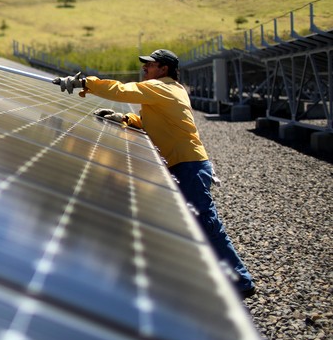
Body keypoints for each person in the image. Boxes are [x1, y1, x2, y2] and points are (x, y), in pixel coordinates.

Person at [52, 49, 256, 299]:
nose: (145, 68)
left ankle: (241, 280)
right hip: (185, 163)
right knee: (188, 223)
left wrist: (84, 82)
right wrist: (126, 118)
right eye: (145, 65)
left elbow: (120, 90)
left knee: (207, 224)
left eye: (150, 64)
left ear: (164, 69)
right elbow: (154, 121)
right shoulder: (168, 90)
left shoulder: (162, 88)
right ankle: (208, 275)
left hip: (188, 164)